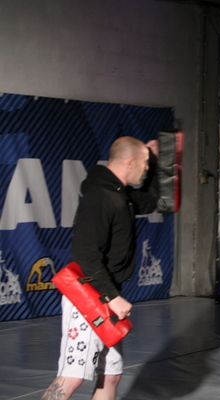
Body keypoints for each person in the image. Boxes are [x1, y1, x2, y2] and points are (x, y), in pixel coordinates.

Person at [41, 136, 159, 400]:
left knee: (111, 375)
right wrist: (112, 297)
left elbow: (153, 202)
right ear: (129, 162)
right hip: (89, 298)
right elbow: (85, 256)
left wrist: (155, 162)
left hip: (105, 295)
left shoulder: (120, 194)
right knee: (71, 377)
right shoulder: (100, 197)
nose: (146, 168)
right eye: (144, 163)